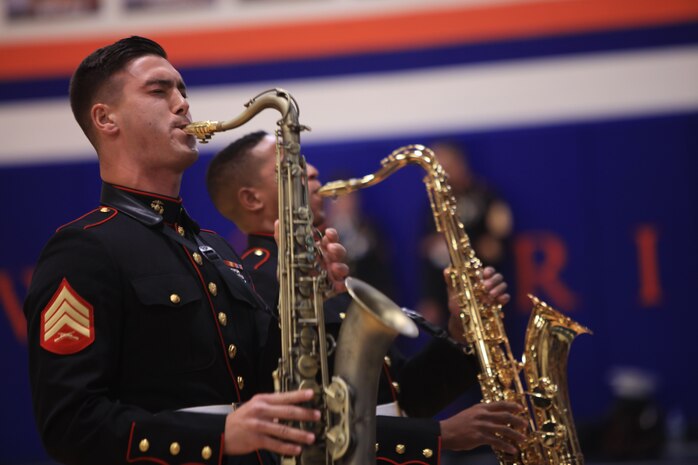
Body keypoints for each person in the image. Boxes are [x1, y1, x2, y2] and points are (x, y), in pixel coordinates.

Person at [23, 36, 352, 465]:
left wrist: (315, 296)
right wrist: (217, 435)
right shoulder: (84, 249)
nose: (182, 104)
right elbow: (70, 426)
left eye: (182, 91)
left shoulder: (215, 250)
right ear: (105, 119)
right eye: (159, 91)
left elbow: (268, 382)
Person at [206, 130, 528, 464]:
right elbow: (301, 427)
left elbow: (403, 396)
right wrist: (439, 435)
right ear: (252, 199)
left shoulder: (330, 269)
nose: (313, 171)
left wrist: (459, 331)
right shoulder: (252, 285)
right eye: (290, 167)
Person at [417, 141, 514, 328]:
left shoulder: (486, 197)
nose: (440, 178)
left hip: (485, 294)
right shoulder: (432, 207)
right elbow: (427, 253)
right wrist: (429, 298)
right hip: (446, 298)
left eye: (445, 169)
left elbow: (494, 248)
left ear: (460, 164)